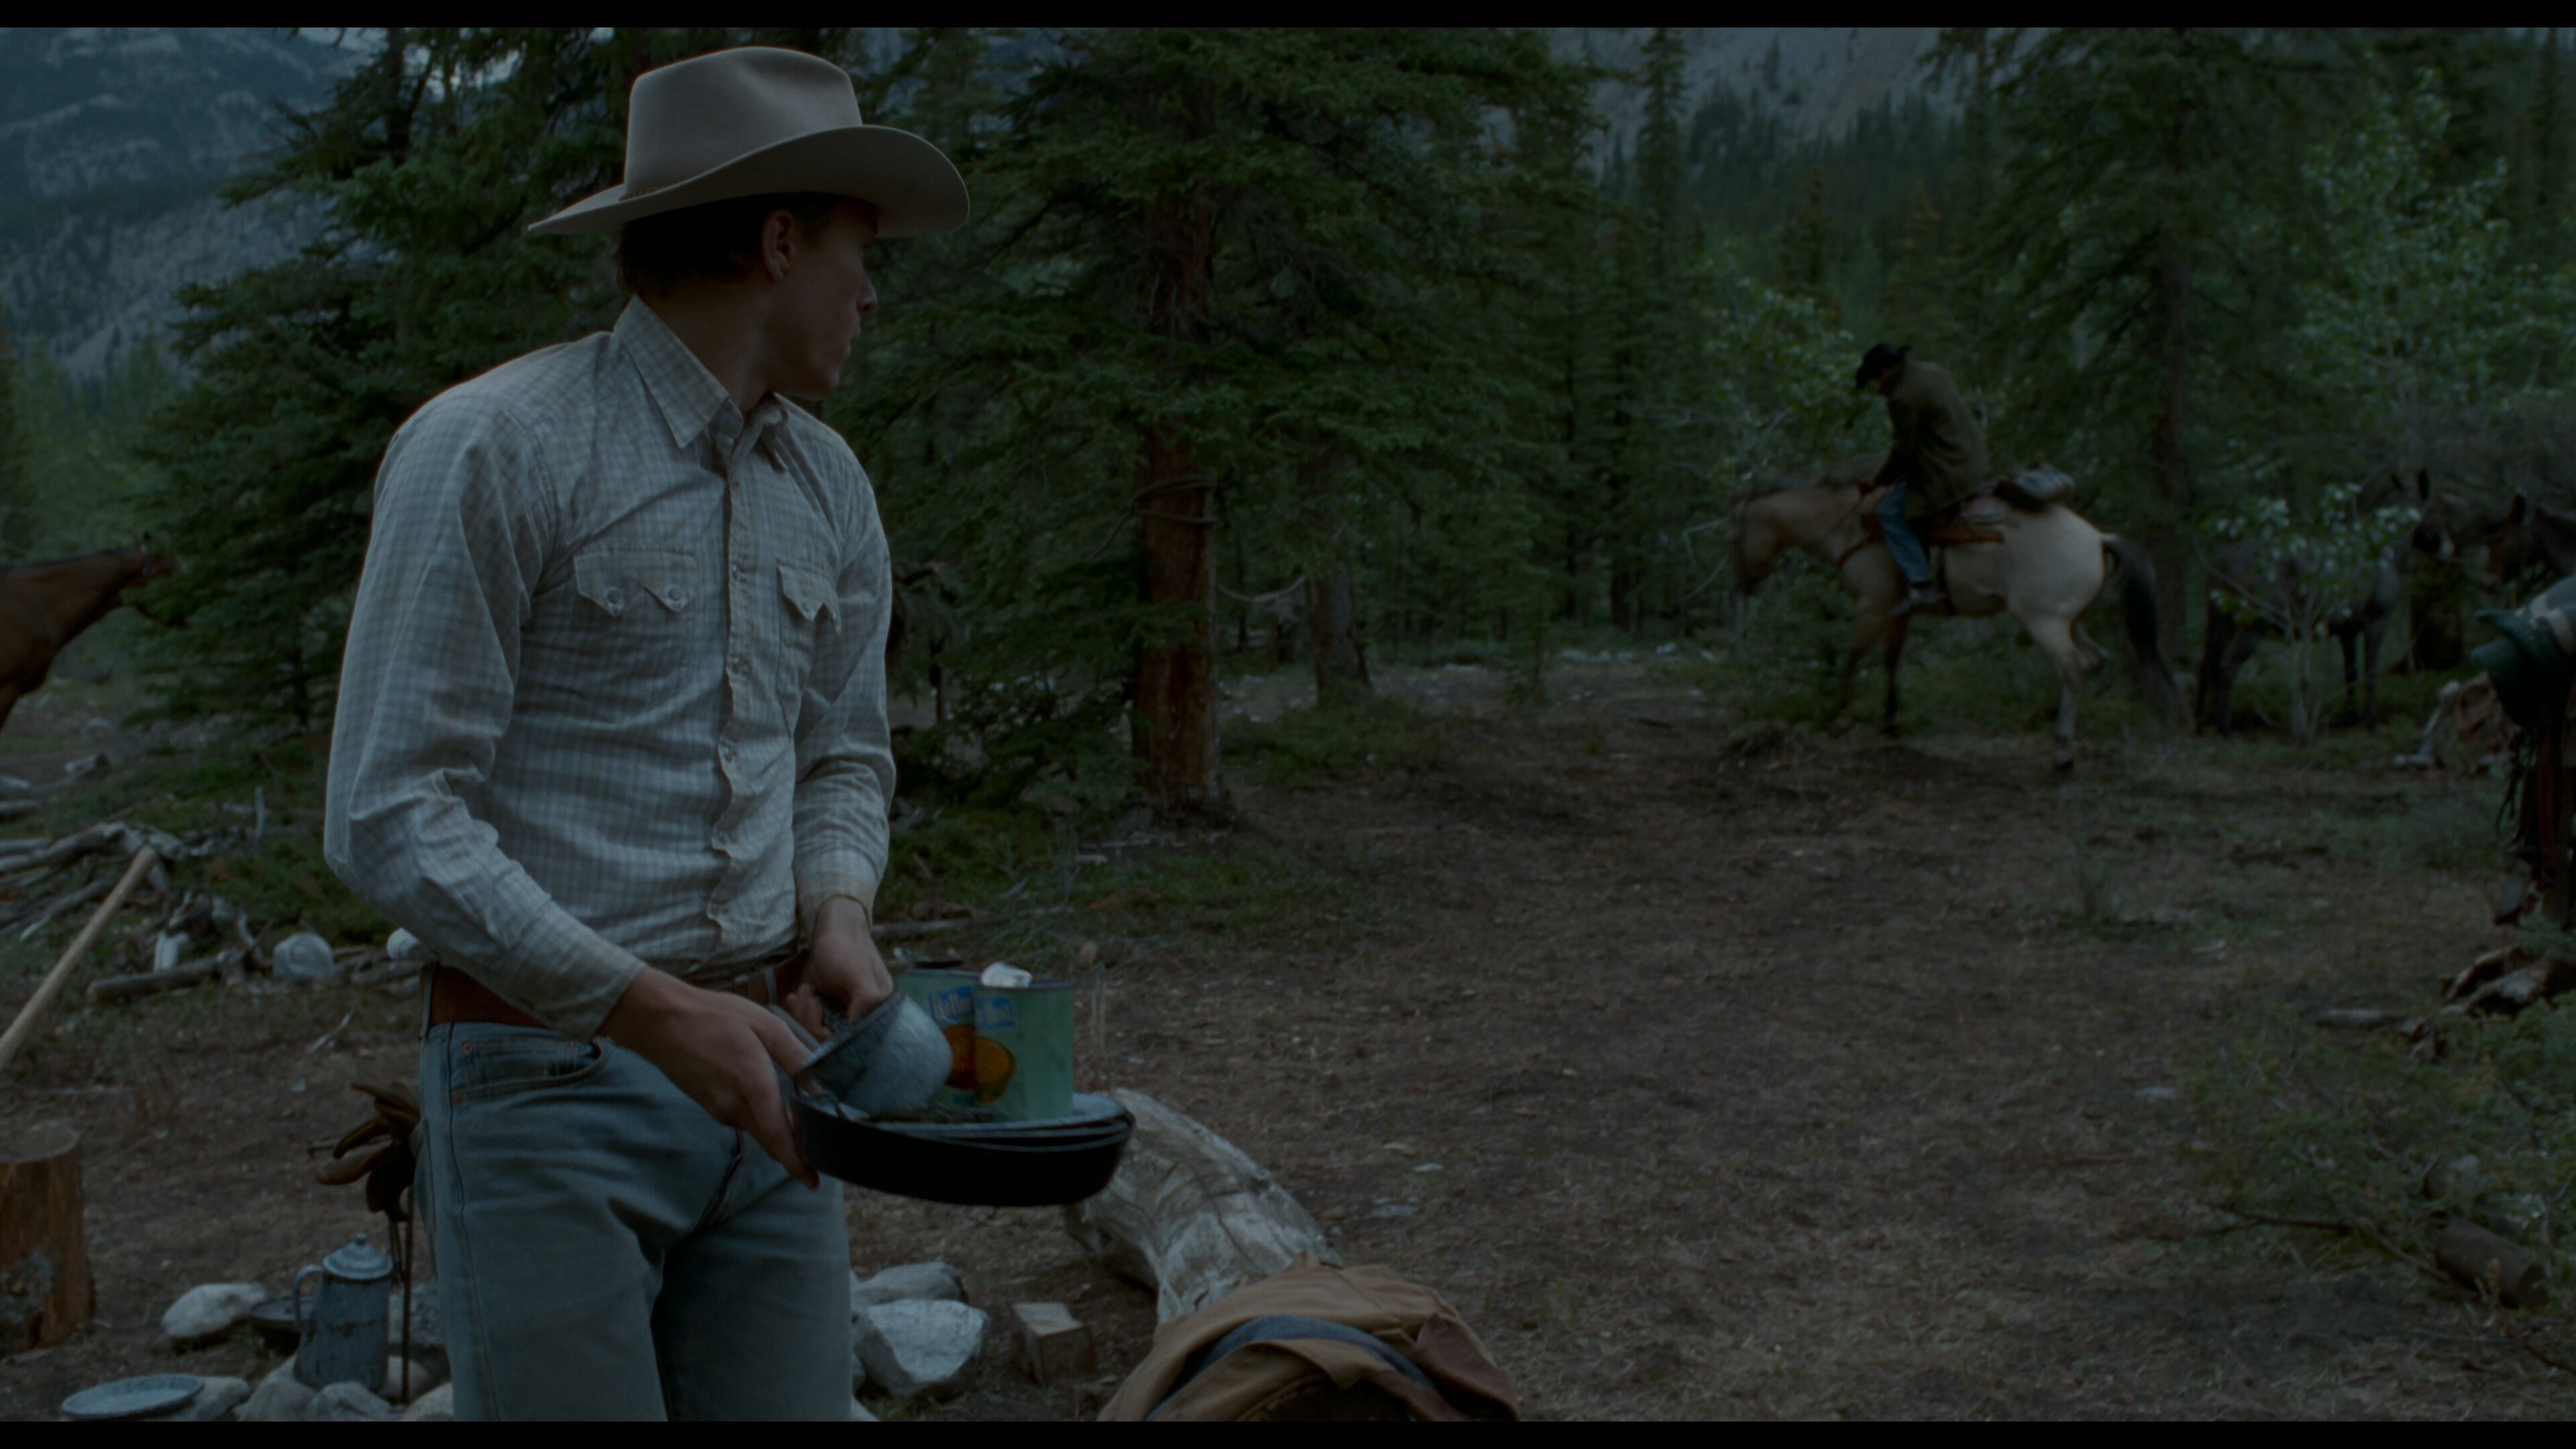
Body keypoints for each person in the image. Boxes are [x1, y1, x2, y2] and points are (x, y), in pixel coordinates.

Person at [323, 46, 968, 1419]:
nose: (870, 294)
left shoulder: (830, 485)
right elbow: (389, 814)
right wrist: (651, 1012)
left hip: (773, 1082)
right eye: (858, 252)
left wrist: (838, 911)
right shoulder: (496, 447)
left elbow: (843, 757)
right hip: (540, 1082)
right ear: (779, 242)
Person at [1854, 342, 1988, 616]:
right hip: (1972, 458)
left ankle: (1921, 582)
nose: (1877, 386)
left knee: (1888, 512)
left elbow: (1904, 450)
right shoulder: (1932, 370)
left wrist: (1878, 482)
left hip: (1948, 471)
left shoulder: (1902, 397)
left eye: (1875, 378)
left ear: (1884, 371)